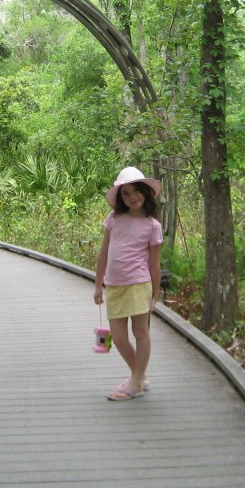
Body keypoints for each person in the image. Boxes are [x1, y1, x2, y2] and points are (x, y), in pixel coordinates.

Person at [94, 166, 163, 401]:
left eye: (136, 191)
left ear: (145, 192)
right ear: (121, 198)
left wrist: (155, 291)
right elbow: (103, 254)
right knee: (118, 337)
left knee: (140, 332)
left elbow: (154, 264)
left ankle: (135, 382)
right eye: (126, 193)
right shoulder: (114, 219)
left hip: (138, 283)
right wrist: (97, 284)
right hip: (113, 285)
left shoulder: (152, 226)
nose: (132, 197)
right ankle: (138, 376)